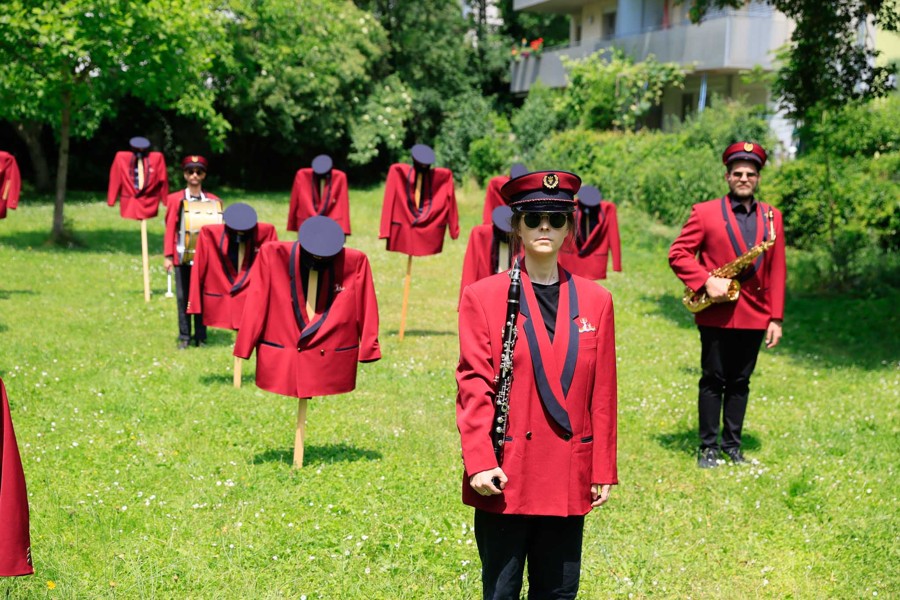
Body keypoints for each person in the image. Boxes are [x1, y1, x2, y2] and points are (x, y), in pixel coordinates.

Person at [456, 171, 618, 599]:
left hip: (567, 472)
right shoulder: (484, 296)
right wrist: (478, 460)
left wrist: (601, 466)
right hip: (506, 471)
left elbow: (602, 393)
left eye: (556, 218)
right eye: (533, 219)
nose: (544, 227)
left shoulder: (597, 300)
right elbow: (473, 385)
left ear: (570, 228)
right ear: (516, 226)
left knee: (559, 592)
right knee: (501, 591)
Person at [668, 142, 786, 468]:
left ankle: (732, 447)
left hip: (755, 313)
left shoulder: (772, 217)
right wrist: (706, 281)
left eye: (750, 173)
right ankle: (707, 447)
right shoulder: (704, 212)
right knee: (713, 378)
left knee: (740, 382)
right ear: (727, 176)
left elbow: (777, 269)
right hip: (716, 311)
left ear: (758, 177)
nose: (744, 178)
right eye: (738, 173)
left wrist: (776, 317)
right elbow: (677, 253)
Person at [163, 155, 221, 349]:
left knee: (203, 297)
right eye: (190, 171)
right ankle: (185, 336)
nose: (194, 175)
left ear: (204, 175)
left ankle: (201, 336)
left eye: (199, 171)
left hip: (205, 259)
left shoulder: (213, 201)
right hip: (181, 257)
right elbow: (170, 228)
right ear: (184, 174)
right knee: (183, 297)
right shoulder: (174, 199)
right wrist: (168, 256)